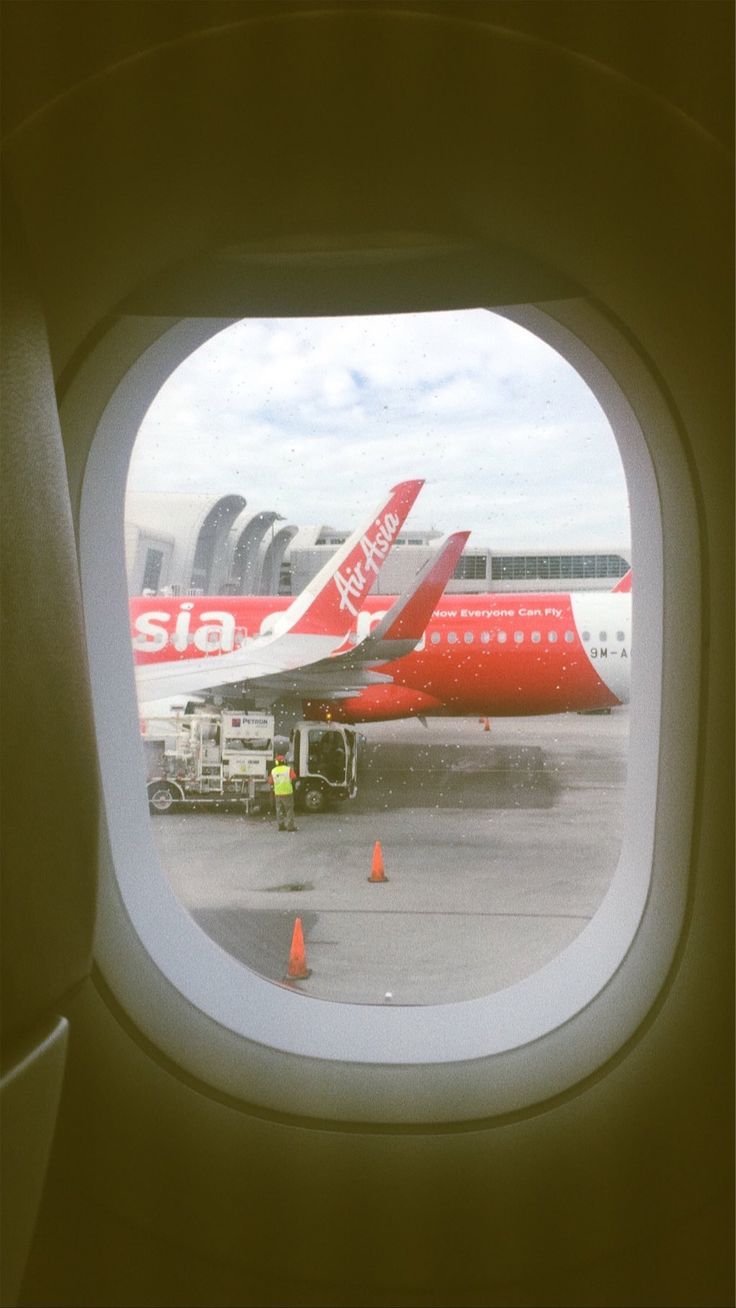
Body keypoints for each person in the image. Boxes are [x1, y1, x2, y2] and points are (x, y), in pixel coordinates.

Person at [268, 753, 298, 832]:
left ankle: (281, 825)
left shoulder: (273, 771)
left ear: (276, 762)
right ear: (284, 761)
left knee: (279, 809)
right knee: (289, 810)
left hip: (278, 793)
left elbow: (270, 781)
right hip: (288, 792)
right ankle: (290, 827)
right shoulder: (288, 769)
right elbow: (294, 777)